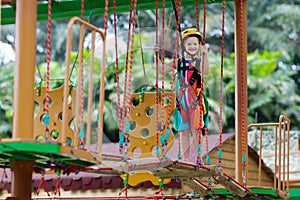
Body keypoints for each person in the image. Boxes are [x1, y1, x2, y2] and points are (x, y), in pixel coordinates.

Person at [154, 28, 209, 164]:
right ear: (184, 46)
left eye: (195, 44)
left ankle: (197, 157)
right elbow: (161, 70)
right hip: (182, 101)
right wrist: (156, 55)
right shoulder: (178, 62)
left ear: (199, 46)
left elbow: (206, 71)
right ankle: (185, 158)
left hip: (195, 99)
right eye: (189, 44)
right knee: (183, 130)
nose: (192, 47)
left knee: (196, 129)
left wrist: (205, 55)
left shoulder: (199, 61)